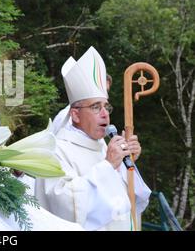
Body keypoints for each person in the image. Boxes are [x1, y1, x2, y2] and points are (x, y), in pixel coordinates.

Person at [35, 46, 151, 231]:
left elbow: (125, 201)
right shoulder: (56, 151)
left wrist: (125, 164)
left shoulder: (104, 147)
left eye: (106, 106)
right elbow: (64, 204)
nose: (105, 114)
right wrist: (108, 165)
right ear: (75, 115)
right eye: (96, 107)